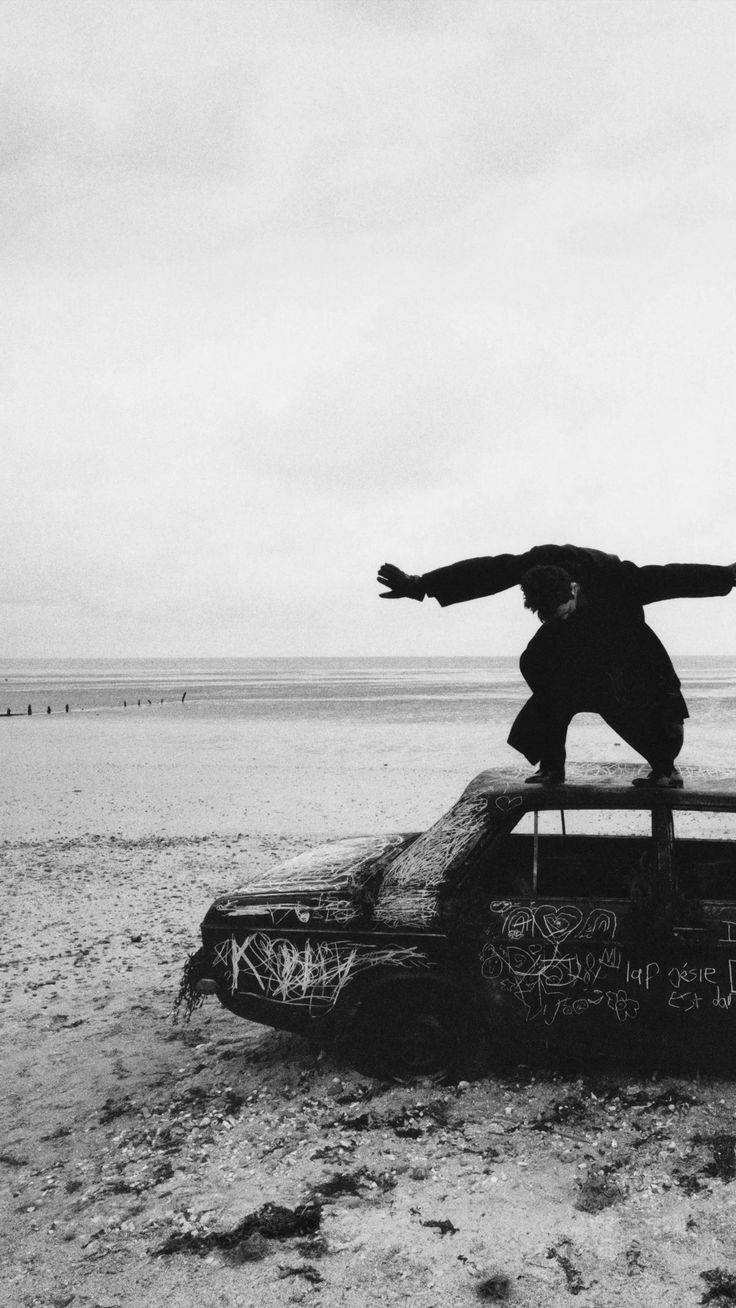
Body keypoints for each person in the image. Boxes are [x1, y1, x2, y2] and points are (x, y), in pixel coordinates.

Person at [377, 545, 735, 786]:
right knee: (538, 665)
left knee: (627, 703)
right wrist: (420, 585)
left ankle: (664, 768)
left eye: (562, 610)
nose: (558, 618)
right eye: (548, 616)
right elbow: (486, 571)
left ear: (574, 590)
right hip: (578, 652)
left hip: (627, 653)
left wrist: (729, 575)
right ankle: (551, 765)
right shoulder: (535, 565)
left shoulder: (615, 578)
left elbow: (673, 576)